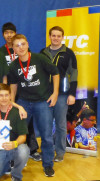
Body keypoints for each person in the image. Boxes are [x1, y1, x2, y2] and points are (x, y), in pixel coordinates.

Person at [9, 34, 59, 177]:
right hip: (24, 102)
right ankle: (14, 161)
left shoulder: (39, 58)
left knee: (46, 136)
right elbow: (13, 86)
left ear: (27, 44)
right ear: (13, 49)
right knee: (17, 133)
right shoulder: (13, 65)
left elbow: (55, 73)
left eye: (23, 44)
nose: (21, 47)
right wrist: (13, 103)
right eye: (17, 45)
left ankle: (48, 164)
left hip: (43, 101)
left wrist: (55, 93)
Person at [40, 26, 78, 162]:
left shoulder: (68, 53)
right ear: (49, 37)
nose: (55, 38)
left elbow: (74, 74)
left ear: (62, 37)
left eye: (58, 36)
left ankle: (60, 151)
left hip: (62, 94)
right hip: (45, 94)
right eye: (53, 35)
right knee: (46, 125)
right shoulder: (42, 53)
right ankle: (47, 150)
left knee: (61, 125)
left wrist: (72, 94)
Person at [0, 83, 29, 181]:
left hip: (13, 148)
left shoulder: (18, 113)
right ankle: (7, 165)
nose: (4, 98)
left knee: (24, 150)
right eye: (1, 95)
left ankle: (16, 175)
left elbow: (23, 136)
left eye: (6, 95)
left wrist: (14, 143)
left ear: (10, 96)